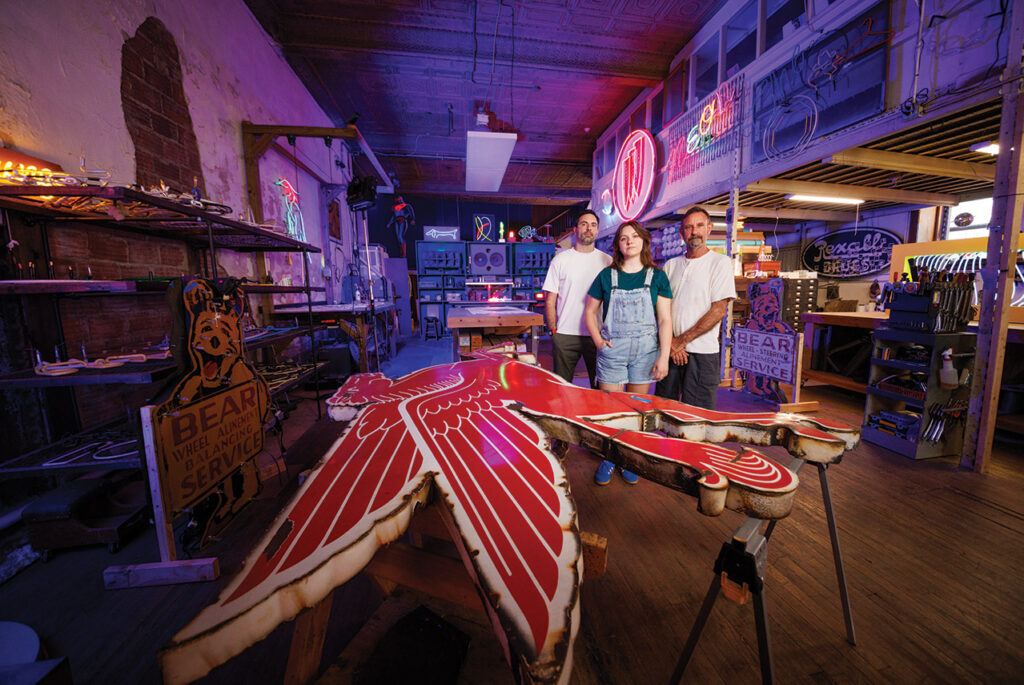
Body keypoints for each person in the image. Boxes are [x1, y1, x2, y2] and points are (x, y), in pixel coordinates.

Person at [585, 220, 672, 485]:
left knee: (635, 409)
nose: (629, 241)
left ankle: (627, 457)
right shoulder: (606, 276)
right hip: (613, 350)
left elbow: (665, 320)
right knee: (611, 410)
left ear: (643, 241)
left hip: (646, 352)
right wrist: (598, 341)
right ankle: (610, 456)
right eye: (623, 238)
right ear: (618, 246)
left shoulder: (657, 276)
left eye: (634, 236)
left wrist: (664, 356)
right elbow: (589, 311)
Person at [655, 207, 737, 410]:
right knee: (664, 410)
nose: (694, 232)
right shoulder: (671, 265)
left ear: (709, 228)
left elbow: (718, 311)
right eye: (688, 227)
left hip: (702, 353)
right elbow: (660, 309)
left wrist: (679, 342)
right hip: (670, 352)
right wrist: (671, 344)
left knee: (697, 415)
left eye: (699, 226)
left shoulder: (720, 263)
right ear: (681, 233)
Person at [542, 210, 611, 389]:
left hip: (597, 334)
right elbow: (550, 300)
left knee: (601, 388)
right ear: (575, 229)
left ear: (597, 231)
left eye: (593, 225)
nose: (589, 228)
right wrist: (553, 331)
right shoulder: (560, 260)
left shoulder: (608, 261)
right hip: (565, 334)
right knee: (562, 388)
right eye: (584, 224)